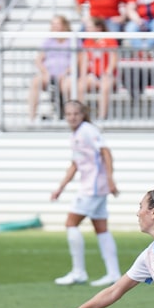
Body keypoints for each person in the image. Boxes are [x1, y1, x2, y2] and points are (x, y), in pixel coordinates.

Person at [51, 100, 120, 287]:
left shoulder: (88, 130)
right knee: (101, 228)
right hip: (93, 186)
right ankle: (113, 273)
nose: (72, 117)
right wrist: (60, 187)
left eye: (76, 113)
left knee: (71, 223)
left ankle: (78, 272)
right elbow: (75, 164)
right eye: (69, 114)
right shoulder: (75, 135)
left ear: (82, 115)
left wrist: (110, 179)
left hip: (94, 187)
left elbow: (106, 152)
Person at [28, 15, 74, 122]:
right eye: (53, 24)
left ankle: (69, 116)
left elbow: (77, 61)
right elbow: (39, 60)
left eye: (57, 24)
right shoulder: (49, 41)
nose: (55, 26)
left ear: (64, 25)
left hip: (67, 74)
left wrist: (66, 73)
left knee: (67, 85)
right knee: (36, 82)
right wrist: (45, 72)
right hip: (49, 74)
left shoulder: (72, 40)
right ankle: (32, 117)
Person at [77, 18, 119, 121]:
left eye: (90, 27)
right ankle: (80, 115)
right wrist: (83, 76)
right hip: (93, 75)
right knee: (80, 86)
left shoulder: (109, 39)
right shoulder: (87, 41)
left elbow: (113, 59)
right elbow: (85, 60)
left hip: (107, 75)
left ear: (98, 28)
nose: (87, 30)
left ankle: (102, 117)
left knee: (105, 86)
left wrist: (107, 73)